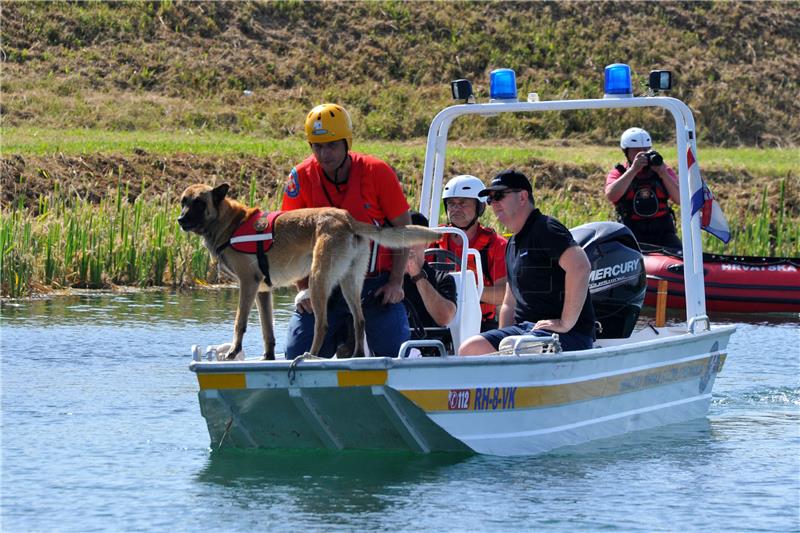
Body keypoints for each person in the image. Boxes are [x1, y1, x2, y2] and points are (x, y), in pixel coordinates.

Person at [281, 103, 413, 358]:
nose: (324, 153)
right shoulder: (300, 177)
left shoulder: (377, 172)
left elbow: (403, 230)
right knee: (295, 352)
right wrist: (303, 289)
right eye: (317, 146)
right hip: (322, 287)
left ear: (347, 143)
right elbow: (290, 240)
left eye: (331, 145)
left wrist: (396, 282)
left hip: (374, 287)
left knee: (395, 351)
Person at [459, 170, 595, 355]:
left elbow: (580, 266)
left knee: (517, 346)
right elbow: (509, 302)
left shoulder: (546, 229)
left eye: (499, 195)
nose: (494, 204)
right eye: (490, 200)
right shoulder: (512, 244)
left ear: (522, 197)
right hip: (525, 332)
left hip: (567, 334)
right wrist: (501, 341)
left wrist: (565, 323)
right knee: (471, 348)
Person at [431, 175, 507, 331]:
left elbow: (503, 294)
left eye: (463, 203)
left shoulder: (497, 245)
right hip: (437, 320)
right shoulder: (433, 238)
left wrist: (464, 290)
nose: (456, 208)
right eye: (451, 203)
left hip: (480, 323)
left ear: (480, 207)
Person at [605, 127, 682, 250]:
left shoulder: (663, 170)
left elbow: (681, 200)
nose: (643, 155)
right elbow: (611, 195)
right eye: (637, 151)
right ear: (626, 152)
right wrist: (633, 170)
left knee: (680, 256)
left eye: (646, 150)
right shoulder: (620, 172)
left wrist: (663, 174)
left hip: (662, 231)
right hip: (631, 231)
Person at [403, 211, 457, 339]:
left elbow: (444, 318)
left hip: (428, 350)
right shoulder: (383, 278)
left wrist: (417, 276)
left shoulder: (443, 279)